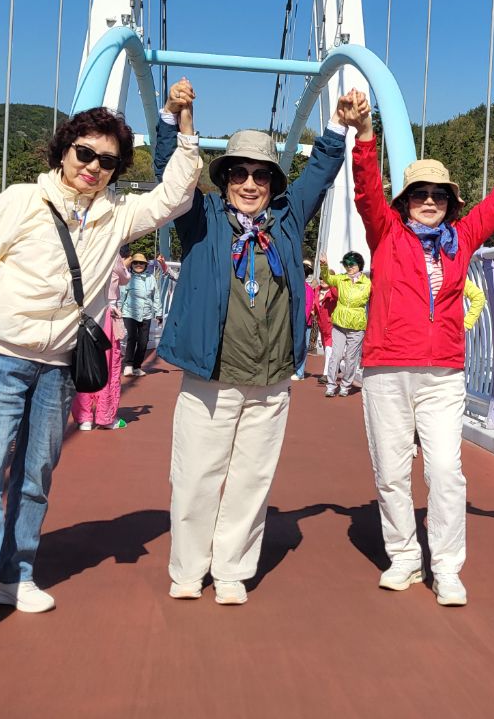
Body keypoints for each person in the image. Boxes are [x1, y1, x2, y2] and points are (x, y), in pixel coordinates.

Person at [0, 98, 201, 650]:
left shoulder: (116, 215)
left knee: (35, 477)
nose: (93, 167)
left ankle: (13, 575)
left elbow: (176, 196)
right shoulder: (20, 201)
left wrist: (182, 126)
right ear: (64, 151)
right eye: (85, 153)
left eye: (107, 161)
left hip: (59, 363)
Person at [155, 83, 364, 605]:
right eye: (240, 173)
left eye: (261, 174)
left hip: (270, 380)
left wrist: (339, 126)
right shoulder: (201, 217)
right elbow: (170, 172)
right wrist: (172, 119)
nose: (250, 183)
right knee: (196, 476)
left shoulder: (286, 222)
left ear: (273, 182)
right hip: (211, 374)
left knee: (251, 479)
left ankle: (231, 569)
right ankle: (188, 567)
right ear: (225, 178)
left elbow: (319, 174)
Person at [346, 89, 494, 607]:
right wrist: (364, 134)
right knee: (391, 472)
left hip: (443, 373)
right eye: (419, 193)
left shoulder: (463, 238)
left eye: (438, 194)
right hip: (387, 368)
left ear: (450, 202)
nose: (429, 200)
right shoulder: (386, 233)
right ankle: (404, 557)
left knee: (446, 472)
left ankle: (447, 567)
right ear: (404, 201)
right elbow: (366, 190)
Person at [72, 253, 130, 430]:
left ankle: (84, 417)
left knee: (84, 363)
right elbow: (125, 278)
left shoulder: (82, 250)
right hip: (107, 316)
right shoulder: (112, 253)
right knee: (109, 365)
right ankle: (106, 416)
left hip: (85, 315)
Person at [319, 251, 371, 397]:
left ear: (359, 265)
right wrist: (324, 265)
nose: (349, 267)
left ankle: (346, 386)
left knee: (350, 358)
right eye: (346, 264)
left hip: (356, 326)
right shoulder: (341, 279)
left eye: (352, 264)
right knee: (335, 356)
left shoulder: (367, 283)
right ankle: (331, 385)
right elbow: (327, 278)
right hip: (339, 325)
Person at [120, 250, 165, 377]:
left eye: (141, 263)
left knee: (143, 341)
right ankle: (128, 365)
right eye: (135, 263)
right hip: (130, 313)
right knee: (132, 337)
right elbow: (122, 295)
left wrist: (159, 313)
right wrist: (118, 312)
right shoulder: (128, 277)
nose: (138, 265)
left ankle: (137, 366)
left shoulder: (151, 278)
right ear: (132, 264)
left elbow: (156, 296)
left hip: (146, 313)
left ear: (145, 265)